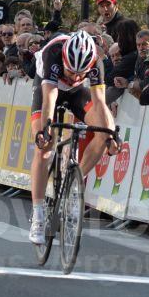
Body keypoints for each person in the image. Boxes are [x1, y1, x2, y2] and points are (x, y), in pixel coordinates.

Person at [29, 31, 116, 245]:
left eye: (81, 73)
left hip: (77, 93)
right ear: (65, 60)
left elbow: (100, 103)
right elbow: (49, 97)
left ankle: (74, 183)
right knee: (45, 147)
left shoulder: (96, 61)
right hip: (48, 88)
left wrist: (111, 134)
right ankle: (38, 215)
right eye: (71, 71)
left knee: (104, 133)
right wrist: (45, 129)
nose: (75, 77)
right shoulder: (53, 52)